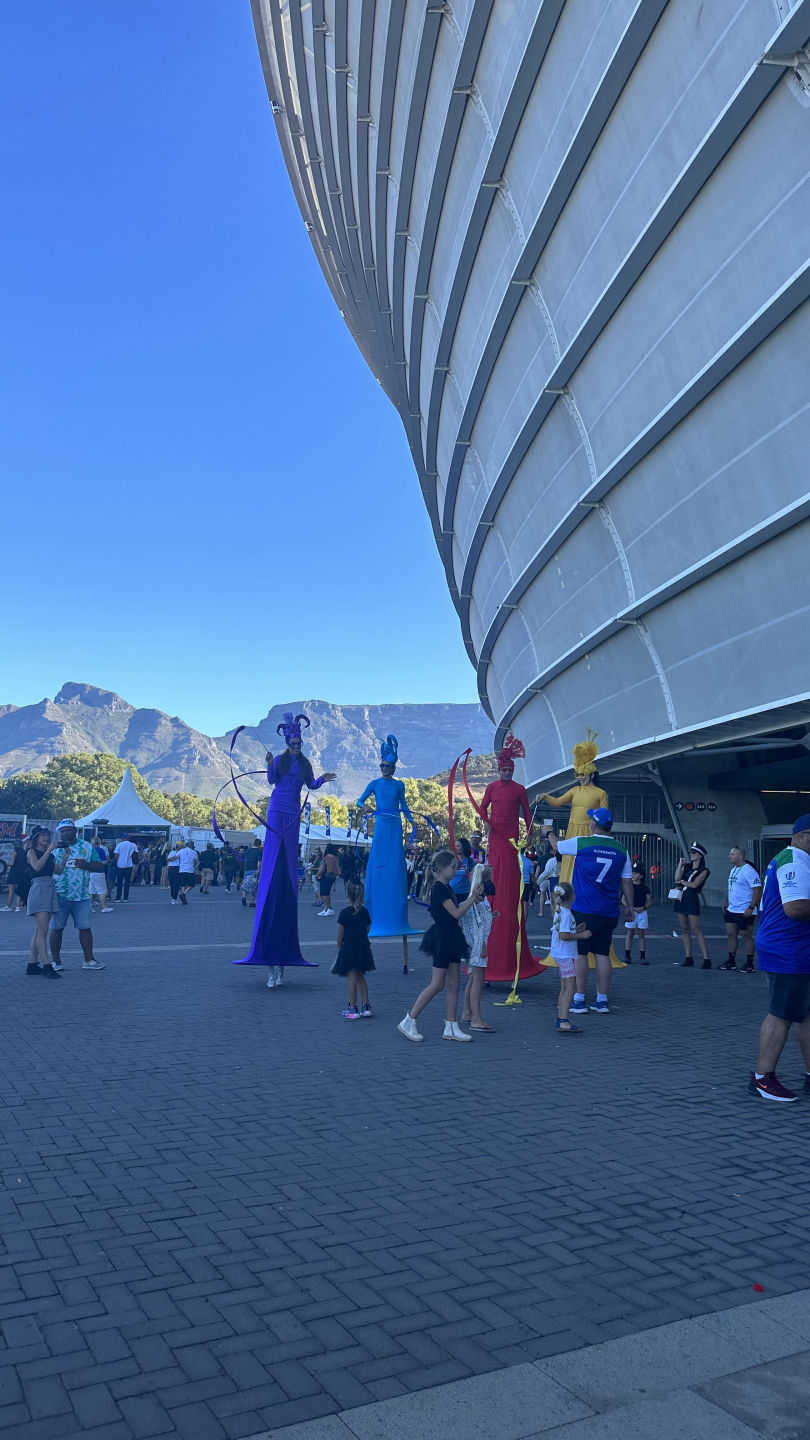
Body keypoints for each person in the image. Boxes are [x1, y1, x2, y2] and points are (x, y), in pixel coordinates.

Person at [233, 711, 335, 988]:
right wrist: (269, 764)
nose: (296, 747)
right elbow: (271, 780)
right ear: (287, 743)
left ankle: (280, 968)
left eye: (299, 744)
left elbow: (311, 785)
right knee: (274, 846)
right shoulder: (280, 760)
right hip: (277, 806)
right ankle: (271, 969)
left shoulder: (305, 763)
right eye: (293, 744)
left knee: (289, 852)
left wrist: (322, 779)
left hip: (293, 810)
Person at [544, 809, 634, 1013]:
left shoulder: (583, 842)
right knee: (603, 953)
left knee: (580, 953)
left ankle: (579, 998)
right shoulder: (622, 849)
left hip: (584, 908)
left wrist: (548, 832)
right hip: (609, 910)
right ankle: (602, 1000)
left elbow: (557, 846)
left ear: (594, 824)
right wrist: (629, 907)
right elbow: (627, 882)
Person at [748, 814, 810, 1102]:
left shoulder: (792, 859)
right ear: (803, 837)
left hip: (793, 948)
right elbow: (795, 908)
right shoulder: (794, 861)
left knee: (805, 1014)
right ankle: (763, 1078)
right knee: (781, 1014)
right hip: (789, 949)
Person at [398, 850, 483, 1042]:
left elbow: (456, 911)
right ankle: (409, 1020)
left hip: (451, 936)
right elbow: (456, 913)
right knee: (437, 984)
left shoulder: (447, 887)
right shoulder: (439, 889)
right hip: (444, 936)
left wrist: (472, 900)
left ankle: (451, 1026)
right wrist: (472, 898)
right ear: (442, 868)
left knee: (454, 983)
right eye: (453, 867)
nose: (455, 870)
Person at [479, 733, 543, 982]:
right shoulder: (492, 788)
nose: (507, 773)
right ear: (499, 770)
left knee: (509, 874)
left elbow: (527, 813)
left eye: (510, 770)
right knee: (495, 873)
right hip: (496, 837)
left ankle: (507, 901)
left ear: (513, 770)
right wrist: (487, 822)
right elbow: (482, 808)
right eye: (504, 770)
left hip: (512, 839)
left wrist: (529, 833)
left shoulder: (519, 789)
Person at [355, 736, 420, 936]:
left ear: (393, 768)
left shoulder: (399, 785)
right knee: (378, 858)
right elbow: (359, 801)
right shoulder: (374, 784)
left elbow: (404, 806)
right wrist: (365, 806)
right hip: (382, 823)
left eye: (387, 766)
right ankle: (375, 901)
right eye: (382, 765)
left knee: (394, 860)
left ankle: (394, 901)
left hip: (395, 824)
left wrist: (411, 821)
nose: (384, 768)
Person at [540, 730, 609, 887]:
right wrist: (545, 796)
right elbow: (558, 802)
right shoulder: (574, 790)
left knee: (586, 862)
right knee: (569, 861)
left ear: (592, 774)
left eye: (583, 774)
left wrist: (602, 839)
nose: (580, 777)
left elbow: (605, 819)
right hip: (572, 830)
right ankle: (567, 889)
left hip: (589, 832)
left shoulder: (601, 793)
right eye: (578, 774)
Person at [48, 820, 106, 971]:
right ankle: (56, 961)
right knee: (56, 928)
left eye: (68, 830)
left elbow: (99, 865)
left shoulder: (87, 846)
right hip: (60, 894)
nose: (65, 833)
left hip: (82, 896)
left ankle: (89, 960)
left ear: (75, 830)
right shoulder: (55, 848)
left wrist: (86, 864)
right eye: (62, 831)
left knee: (85, 928)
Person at [332, 879, 375, 1019]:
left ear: (348, 894)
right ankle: (366, 1006)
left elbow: (340, 933)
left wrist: (339, 946)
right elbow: (367, 929)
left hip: (349, 948)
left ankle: (352, 1008)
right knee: (361, 977)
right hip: (363, 947)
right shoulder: (365, 912)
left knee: (351, 978)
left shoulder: (344, 913)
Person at [460, 863, 496, 1031]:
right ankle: (476, 1018)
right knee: (478, 980)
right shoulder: (479, 900)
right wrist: (482, 945)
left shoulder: (474, 897)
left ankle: (467, 1012)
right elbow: (479, 926)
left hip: (474, 943)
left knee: (473, 978)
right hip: (478, 944)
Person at [551, 881, 587, 1033]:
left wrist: (576, 929)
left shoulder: (560, 912)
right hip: (565, 955)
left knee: (565, 987)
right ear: (572, 896)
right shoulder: (566, 914)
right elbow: (564, 935)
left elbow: (564, 931)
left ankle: (561, 1018)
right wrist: (581, 935)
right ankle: (563, 1020)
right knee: (571, 988)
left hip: (560, 954)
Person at [25, 827, 60, 976]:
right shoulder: (31, 851)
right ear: (36, 838)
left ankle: (32, 964)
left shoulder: (50, 855)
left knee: (40, 930)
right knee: (43, 930)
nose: (46, 838)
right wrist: (49, 850)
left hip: (50, 887)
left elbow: (59, 871)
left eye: (48, 835)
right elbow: (37, 867)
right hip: (39, 888)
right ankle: (46, 965)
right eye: (43, 836)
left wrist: (65, 856)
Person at [720, 846, 762, 972]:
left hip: (744, 910)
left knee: (746, 936)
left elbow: (757, 889)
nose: (730, 856)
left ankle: (749, 964)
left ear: (740, 855)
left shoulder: (748, 870)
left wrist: (751, 906)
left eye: (733, 854)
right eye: (730, 853)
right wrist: (727, 901)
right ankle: (731, 961)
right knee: (731, 934)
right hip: (732, 909)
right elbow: (731, 887)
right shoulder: (733, 870)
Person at [673, 843, 711, 968]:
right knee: (684, 928)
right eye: (691, 852)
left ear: (700, 855)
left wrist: (682, 882)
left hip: (691, 898)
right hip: (681, 897)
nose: (691, 854)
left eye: (694, 852)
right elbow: (676, 877)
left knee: (696, 928)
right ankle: (688, 956)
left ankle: (706, 958)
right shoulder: (687, 866)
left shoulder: (704, 870)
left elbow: (694, 885)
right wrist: (680, 864)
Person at [625, 863, 651, 964]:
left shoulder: (645, 888)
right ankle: (627, 956)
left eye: (635, 873)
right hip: (631, 912)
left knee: (641, 934)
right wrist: (630, 907)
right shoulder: (628, 886)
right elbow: (623, 899)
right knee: (630, 934)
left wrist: (643, 908)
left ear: (641, 876)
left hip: (642, 912)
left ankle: (642, 957)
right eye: (632, 873)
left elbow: (649, 901)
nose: (633, 875)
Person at [2, 842, 30, 913]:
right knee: (18, 891)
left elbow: (12, 863)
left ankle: (8, 906)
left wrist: (6, 864)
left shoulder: (14, 851)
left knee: (11, 891)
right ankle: (18, 907)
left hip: (13, 872)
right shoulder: (25, 852)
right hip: (21, 873)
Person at [89, 836, 113, 913]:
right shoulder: (100, 850)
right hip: (99, 872)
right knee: (102, 891)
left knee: (91, 890)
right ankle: (104, 907)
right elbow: (104, 861)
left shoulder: (89, 850)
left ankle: (89, 907)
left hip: (90, 872)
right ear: (99, 842)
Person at [317, 844, 340, 917]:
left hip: (327, 875)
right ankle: (326, 908)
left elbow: (323, 868)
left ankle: (329, 908)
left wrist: (317, 876)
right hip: (333, 876)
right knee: (327, 893)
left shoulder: (328, 857)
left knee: (324, 893)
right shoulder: (335, 857)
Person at [113, 833, 137, 901]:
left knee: (119, 882)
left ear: (123, 838)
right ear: (129, 838)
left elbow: (116, 855)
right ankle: (125, 898)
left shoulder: (119, 845)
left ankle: (118, 898)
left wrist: (117, 862)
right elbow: (136, 854)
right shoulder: (133, 845)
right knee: (127, 882)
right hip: (129, 865)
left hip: (120, 865)